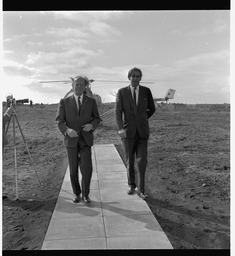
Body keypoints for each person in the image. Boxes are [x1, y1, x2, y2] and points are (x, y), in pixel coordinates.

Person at [55, 75, 101, 203]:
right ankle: (77, 193)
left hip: (86, 140)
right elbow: (59, 121)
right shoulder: (64, 102)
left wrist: (91, 125)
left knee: (87, 169)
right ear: (72, 86)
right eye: (77, 84)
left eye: (82, 85)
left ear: (85, 86)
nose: (79, 86)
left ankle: (86, 194)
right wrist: (67, 130)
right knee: (73, 169)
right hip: (71, 140)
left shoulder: (91, 101)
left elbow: (97, 118)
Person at [115, 67, 156, 200]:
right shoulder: (122, 92)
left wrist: (142, 119)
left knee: (142, 161)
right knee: (130, 160)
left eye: (138, 76)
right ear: (129, 77)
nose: (135, 78)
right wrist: (121, 128)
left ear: (140, 78)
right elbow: (118, 112)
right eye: (133, 76)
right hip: (128, 132)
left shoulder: (146, 91)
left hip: (142, 132)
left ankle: (142, 189)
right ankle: (131, 185)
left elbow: (152, 108)